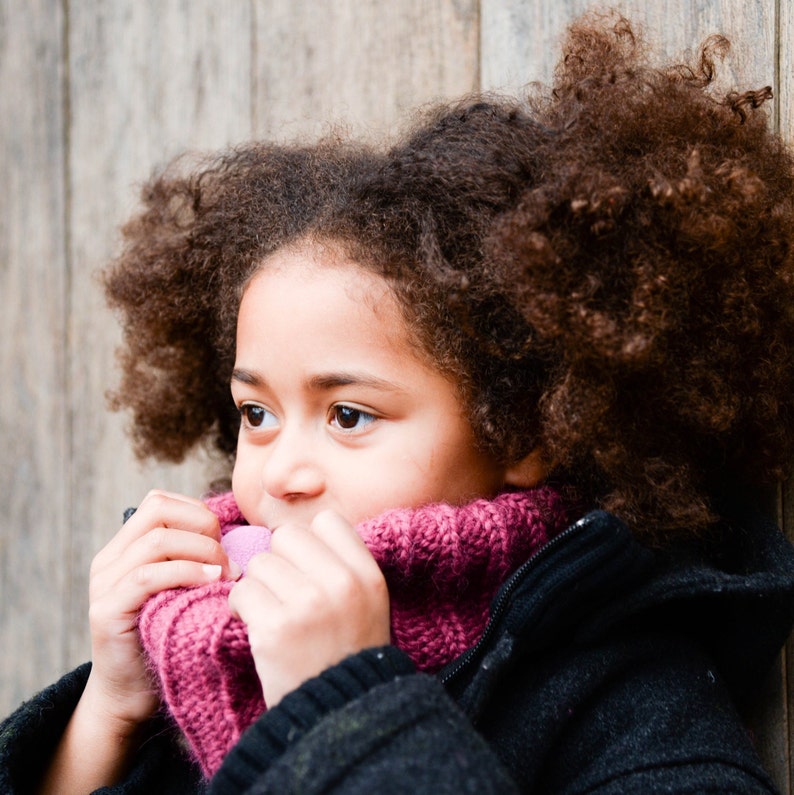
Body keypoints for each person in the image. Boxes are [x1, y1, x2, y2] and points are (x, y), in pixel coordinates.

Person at [4, 10, 794, 793]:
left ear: (522, 427)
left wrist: (349, 708)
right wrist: (107, 710)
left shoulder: (626, 698)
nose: (280, 475)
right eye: (257, 415)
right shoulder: (206, 658)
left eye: (348, 415)